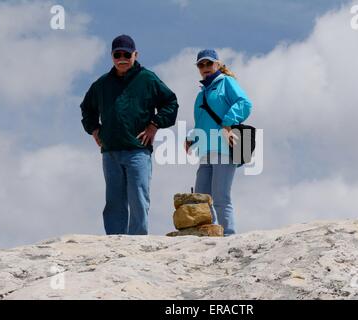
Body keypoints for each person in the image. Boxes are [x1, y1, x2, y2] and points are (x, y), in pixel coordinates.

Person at [80, 35, 179, 235]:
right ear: (112, 56)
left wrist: (154, 125)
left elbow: (171, 103)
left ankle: (138, 242)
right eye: (118, 54)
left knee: (139, 199)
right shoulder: (102, 83)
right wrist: (94, 129)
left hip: (138, 150)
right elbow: (87, 108)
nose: (122, 58)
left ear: (135, 54)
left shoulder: (147, 79)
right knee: (114, 201)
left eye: (127, 54)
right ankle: (115, 241)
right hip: (111, 152)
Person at [185, 49, 253, 236]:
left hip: (224, 148)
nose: (205, 67)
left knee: (221, 197)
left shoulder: (226, 82)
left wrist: (227, 123)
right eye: (201, 64)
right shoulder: (202, 94)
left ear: (217, 64)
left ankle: (229, 236)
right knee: (201, 198)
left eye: (209, 63)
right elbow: (203, 123)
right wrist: (191, 137)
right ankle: (210, 233)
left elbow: (244, 103)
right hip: (206, 150)